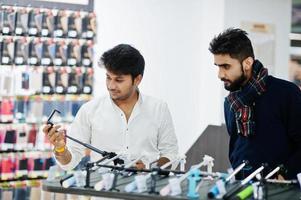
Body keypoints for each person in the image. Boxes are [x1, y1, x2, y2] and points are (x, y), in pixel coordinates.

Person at [43, 44, 179, 170]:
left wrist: (150, 168)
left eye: (119, 80)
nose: (111, 86)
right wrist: (61, 148)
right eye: (108, 77)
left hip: (145, 192)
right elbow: (69, 163)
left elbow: (170, 153)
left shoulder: (158, 108)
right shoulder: (89, 110)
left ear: (137, 79)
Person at [209, 28, 301, 179]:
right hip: (242, 186)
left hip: (280, 188)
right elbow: (236, 148)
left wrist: (285, 173)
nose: (220, 75)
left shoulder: (286, 93)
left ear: (247, 63)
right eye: (218, 66)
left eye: (226, 66)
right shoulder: (230, 103)